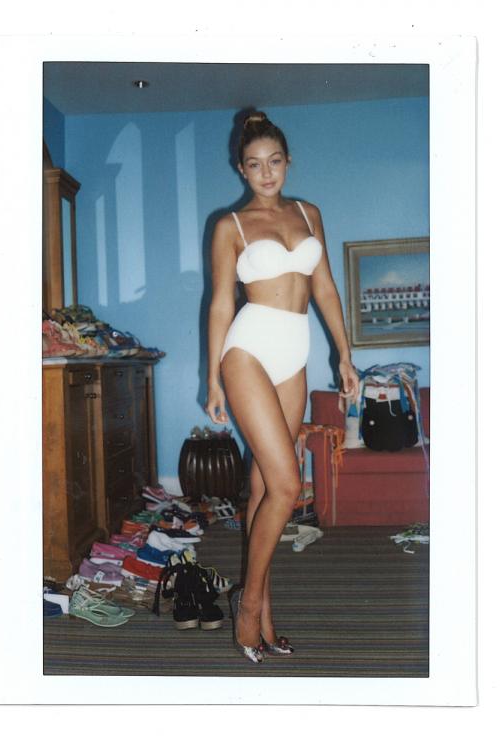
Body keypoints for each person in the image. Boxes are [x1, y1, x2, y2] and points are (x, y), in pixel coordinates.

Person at [204, 111, 360, 663]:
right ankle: (248, 606)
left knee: (265, 487)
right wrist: (212, 377)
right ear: (241, 169)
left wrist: (344, 353)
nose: (266, 172)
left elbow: (325, 288)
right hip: (247, 350)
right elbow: (221, 303)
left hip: (296, 352)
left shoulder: (309, 213)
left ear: (288, 162)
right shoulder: (231, 225)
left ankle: (265, 613)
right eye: (255, 164)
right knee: (289, 485)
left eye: (274, 161)